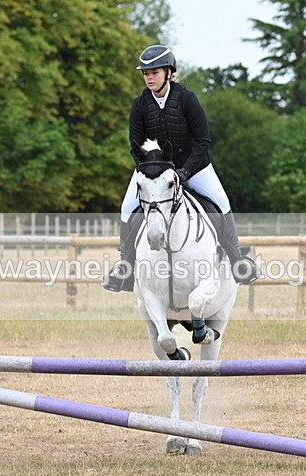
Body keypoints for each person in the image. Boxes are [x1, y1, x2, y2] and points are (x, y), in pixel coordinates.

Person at [103, 45, 258, 292]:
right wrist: (152, 172)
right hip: (155, 171)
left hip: (194, 167)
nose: (149, 77)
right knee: (127, 208)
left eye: (154, 72)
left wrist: (184, 172)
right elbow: (137, 147)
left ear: (168, 72)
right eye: (145, 73)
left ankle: (238, 261)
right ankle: (125, 268)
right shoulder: (139, 105)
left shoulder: (187, 99)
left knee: (221, 202)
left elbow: (202, 141)